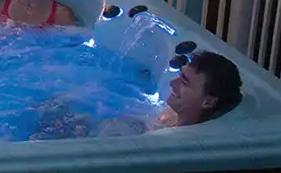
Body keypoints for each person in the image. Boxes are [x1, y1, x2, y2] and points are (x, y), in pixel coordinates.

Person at [89, 50, 246, 137]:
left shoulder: (172, 141)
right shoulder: (172, 116)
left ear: (208, 102)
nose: (172, 83)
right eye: (179, 76)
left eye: (184, 82)